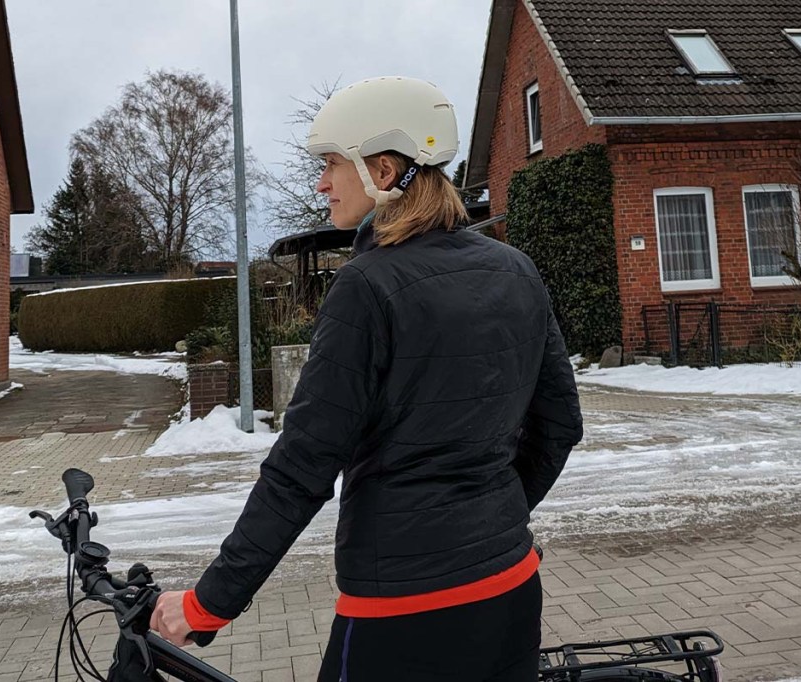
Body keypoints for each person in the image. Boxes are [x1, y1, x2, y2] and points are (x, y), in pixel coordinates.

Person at [150, 76, 583, 681]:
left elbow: (302, 466)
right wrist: (491, 520)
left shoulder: (367, 286)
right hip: (508, 585)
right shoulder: (516, 269)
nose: (322, 183)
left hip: (403, 608)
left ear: (383, 171)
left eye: (331, 164)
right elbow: (560, 425)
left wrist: (207, 603)